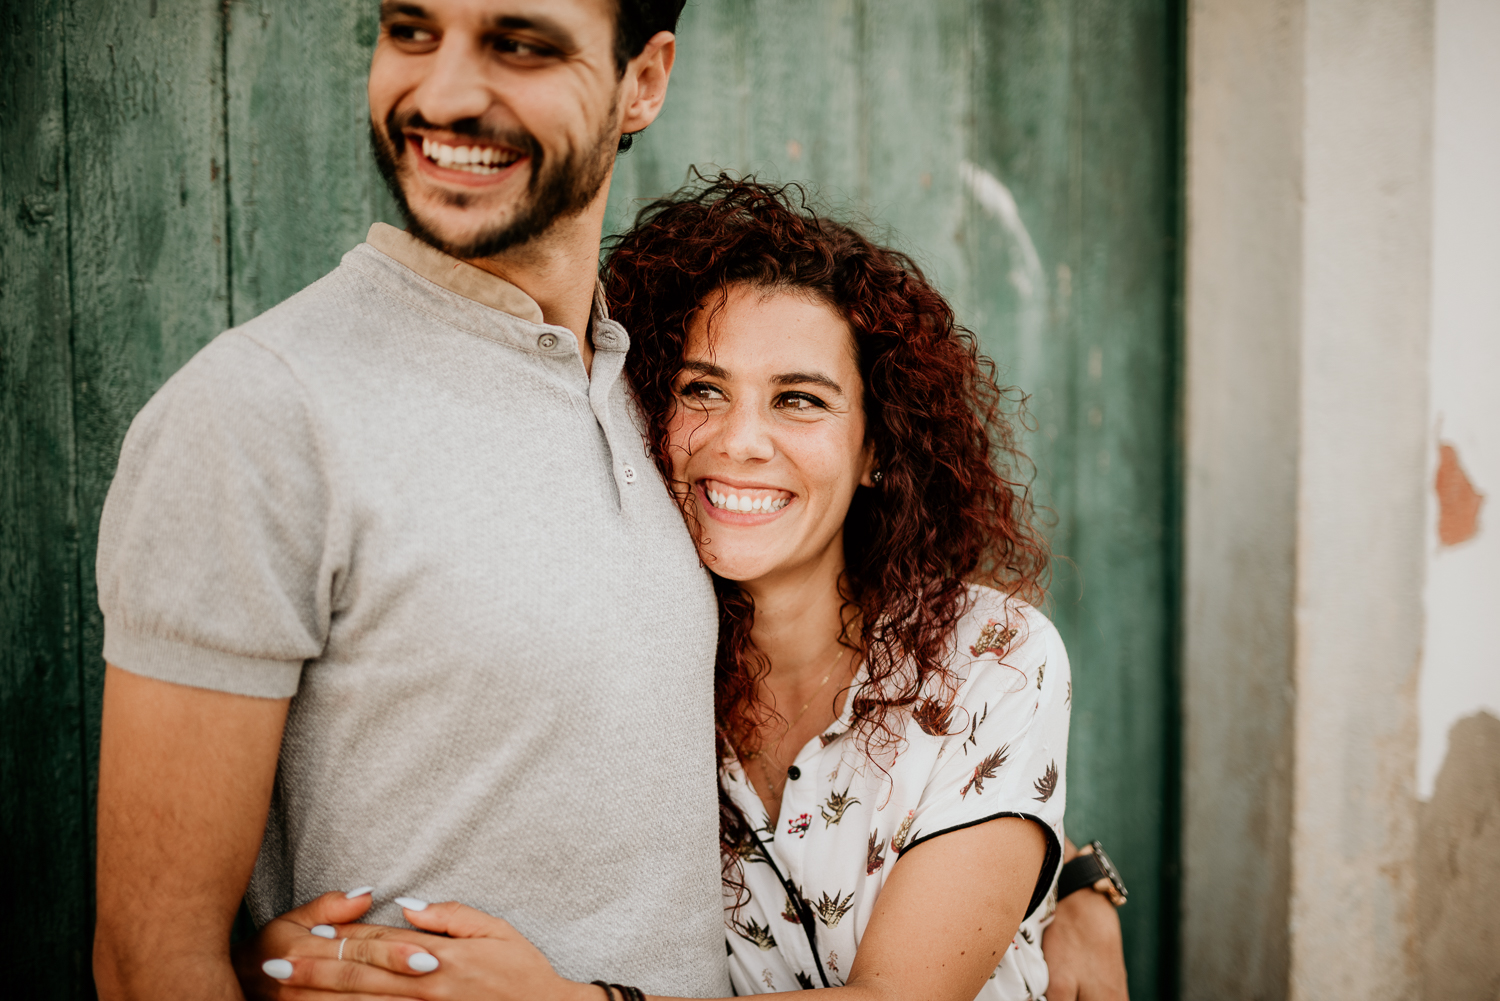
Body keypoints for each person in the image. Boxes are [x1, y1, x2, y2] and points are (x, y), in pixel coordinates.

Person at [93, 0, 1126, 997]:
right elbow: (152, 960)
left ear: (644, 81)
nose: (444, 90)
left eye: (522, 44)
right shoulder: (257, 412)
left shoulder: (643, 392)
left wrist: (1064, 874)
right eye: (410, 28)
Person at [239, 177, 1115, 1001]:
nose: (739, 441)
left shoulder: (991, 654)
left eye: (799, 400)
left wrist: (1070, 876)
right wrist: (288, 964)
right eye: (703, 389)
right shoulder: (634, 647)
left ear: (878, 447)